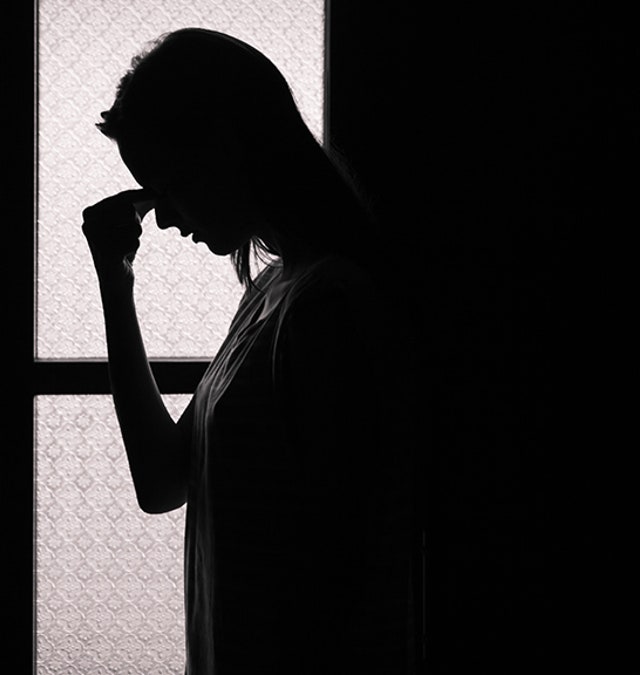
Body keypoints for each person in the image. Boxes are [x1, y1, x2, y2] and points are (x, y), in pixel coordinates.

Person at [82, 28, 418, 674]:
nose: (167, 219)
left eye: (167, 184)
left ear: (223, 149)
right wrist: (114, 282)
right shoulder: (271, 297)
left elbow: (344, 580)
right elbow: (161, 479)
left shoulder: (325, 309)